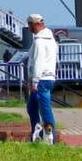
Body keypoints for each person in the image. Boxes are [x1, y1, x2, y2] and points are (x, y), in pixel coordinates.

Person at [26, 12, 58, 144]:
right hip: (48, 77)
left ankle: (51, 141)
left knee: (45, 111)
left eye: (29, 25)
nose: (29, 28)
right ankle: (37, 135)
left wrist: (34, 82)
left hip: (41, 81)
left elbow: (38, 62)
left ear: (33, 24)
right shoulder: (51, 40)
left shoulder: (39, 41)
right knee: (32, 108)